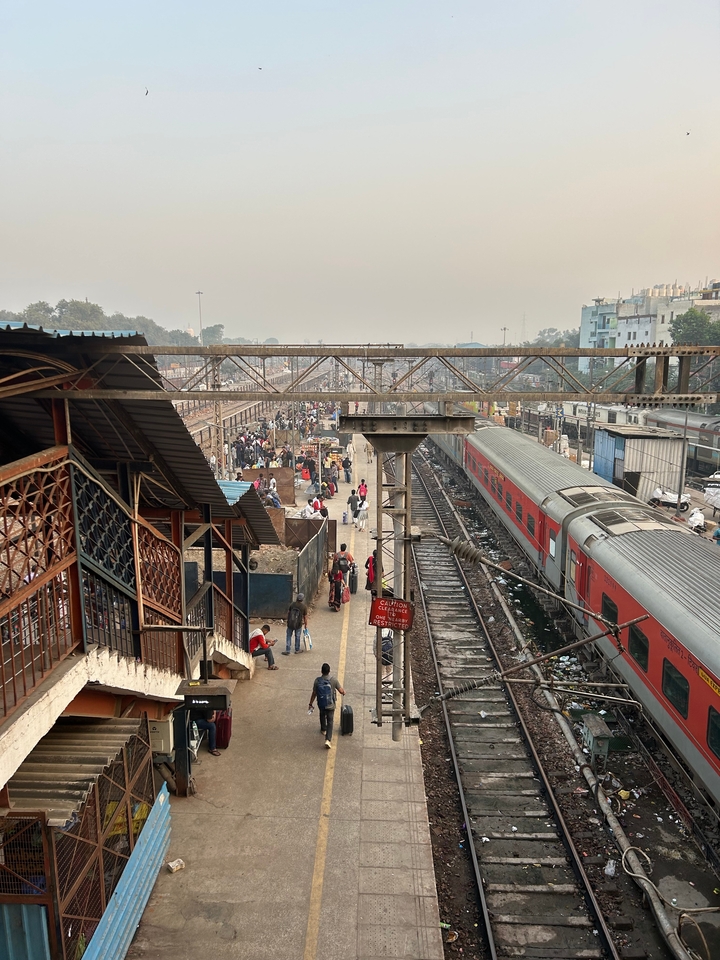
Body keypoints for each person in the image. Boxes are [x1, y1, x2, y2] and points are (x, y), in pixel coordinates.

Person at [309, 662, 345, 748]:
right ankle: (328, 740)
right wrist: (344, 692)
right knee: (330, 721)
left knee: (322, 714)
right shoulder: (333, 680)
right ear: (329, 671)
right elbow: (341, 691)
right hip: (330, 704)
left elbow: (314, 693)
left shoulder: (317, 681)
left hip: (321, 704)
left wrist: (310, 703)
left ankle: (323, 729)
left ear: (321, 671)